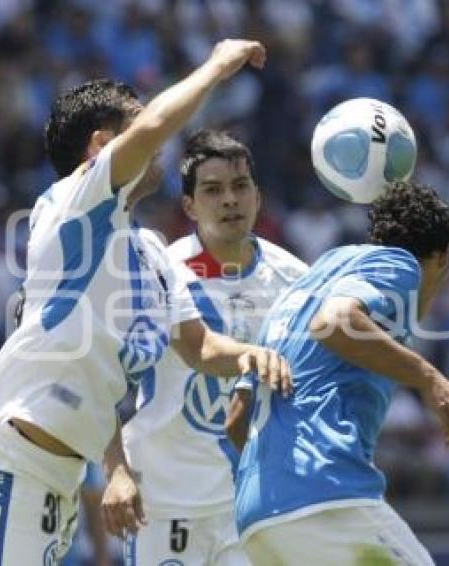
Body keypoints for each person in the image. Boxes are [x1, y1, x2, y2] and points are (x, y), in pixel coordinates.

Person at [0, 39, 293, 565]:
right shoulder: (74, 206)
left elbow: (199, 346)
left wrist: (253, 356)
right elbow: (151, 131)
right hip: (16, 459)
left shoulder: (149, 253)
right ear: (100, 148)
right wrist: (214, 68)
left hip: (63, 474)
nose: (159, 140)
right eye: (140, 122)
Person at [233, 182, 449, 566]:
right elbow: (333, 323)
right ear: (445, 255)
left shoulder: (308, 283)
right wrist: (430, 377)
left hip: (259, 516)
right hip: (324, 498)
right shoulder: (400, 265)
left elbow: (236, 419)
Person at [103, 129, 307, 565]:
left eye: (240, 187)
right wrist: (116, 470)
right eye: (213, 190)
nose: (229, 200)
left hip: (251, 504)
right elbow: (99, 379)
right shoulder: (159, 273)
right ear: (190, 206)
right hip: (163, 499)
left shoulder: (293, 278)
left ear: (258, 197)